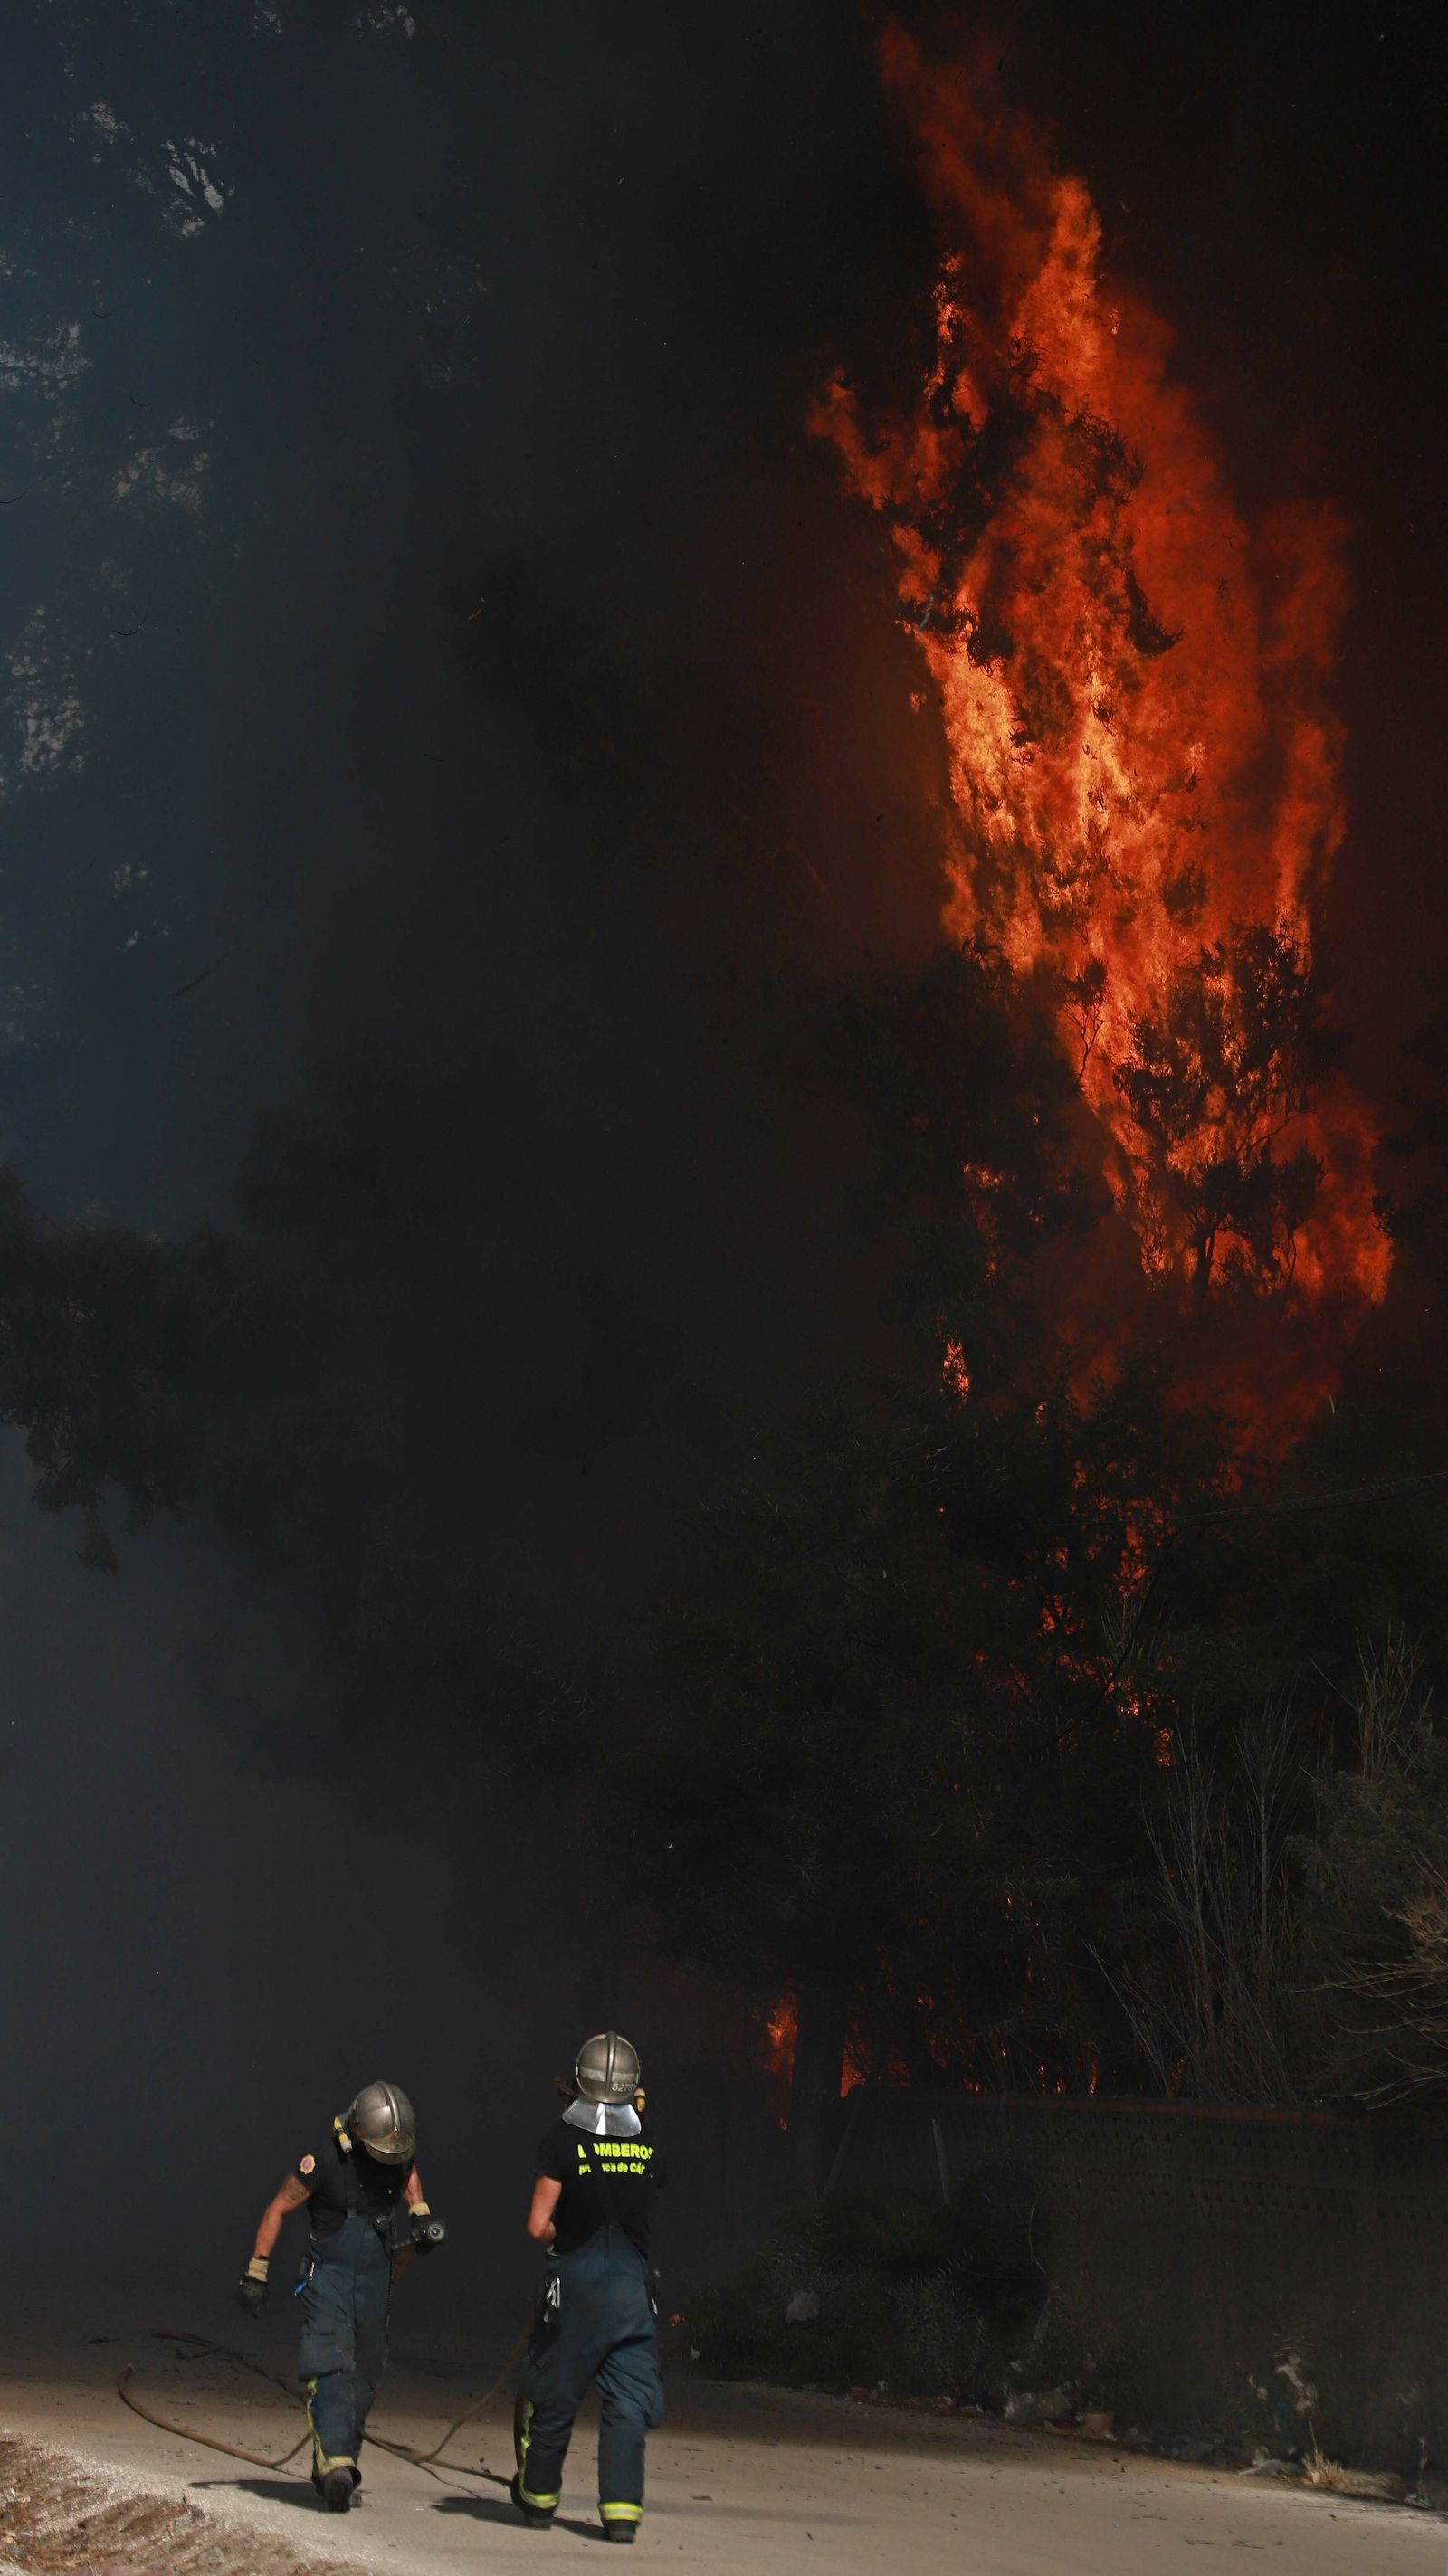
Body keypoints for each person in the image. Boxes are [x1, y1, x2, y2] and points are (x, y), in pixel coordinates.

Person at [234, 2078, 442, 2512]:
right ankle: (336, 2467)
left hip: (374, 2277)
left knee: (365, 2373)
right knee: (329, 2364)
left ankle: (339, 2463)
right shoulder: (324, 2161)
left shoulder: (397, 2150)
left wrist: (420, 2214)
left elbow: (409, 2174)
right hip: (327, 2274)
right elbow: (278, 2208)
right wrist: (257, 2270)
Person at [513, 2030, 665, 2544]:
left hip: (575, 2286)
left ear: (578, 2082)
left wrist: (563, 2235)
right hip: (630, 2290)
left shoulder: (559, 2141)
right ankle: (622, 2515)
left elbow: (538, 2225)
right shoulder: (650, 2143)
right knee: (627, 2403)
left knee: (554, 2396)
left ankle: (537, 2503)